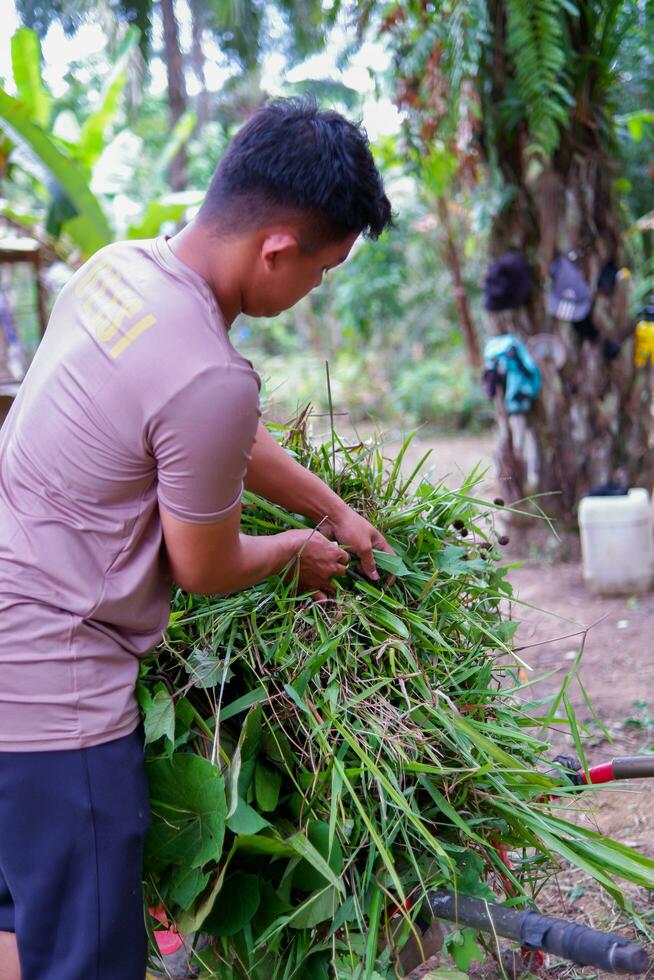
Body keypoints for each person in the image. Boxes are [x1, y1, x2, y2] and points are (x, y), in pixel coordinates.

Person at [0, 97, 393, 980]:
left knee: (18, 929)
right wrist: (297, 552)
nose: (311, 292)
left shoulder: (117, 271)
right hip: (55, 699)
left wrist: (331, 507)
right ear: (278, 248)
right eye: (322, 271)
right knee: (83, 959)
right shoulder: (211, 371)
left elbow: (206, 427)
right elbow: (206, 567)